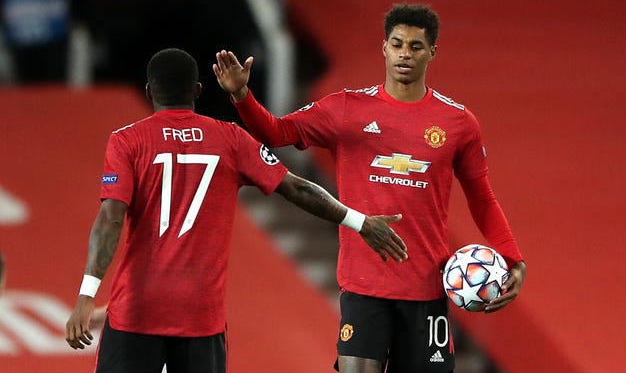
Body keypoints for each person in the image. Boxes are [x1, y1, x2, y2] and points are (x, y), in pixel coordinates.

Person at [214, 3, 527, 373]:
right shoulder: (347, 109)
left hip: (425, 289)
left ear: (432, 52)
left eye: (415, 46)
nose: (404, 54)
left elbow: (482, 197)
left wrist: (513, 259)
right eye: (397, 44)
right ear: (384, 48)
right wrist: (241, 97)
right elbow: (277, 133)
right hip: (363, 287)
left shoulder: (458, 123)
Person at [65, 48, 408, 373]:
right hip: (201, 317)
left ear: (149, 90)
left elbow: (111, 217)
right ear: (198, 90)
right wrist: (359, 221)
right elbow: (297, 188)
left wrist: (86, 295)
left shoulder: (127, 141)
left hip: (136, 312)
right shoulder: (231, 138)